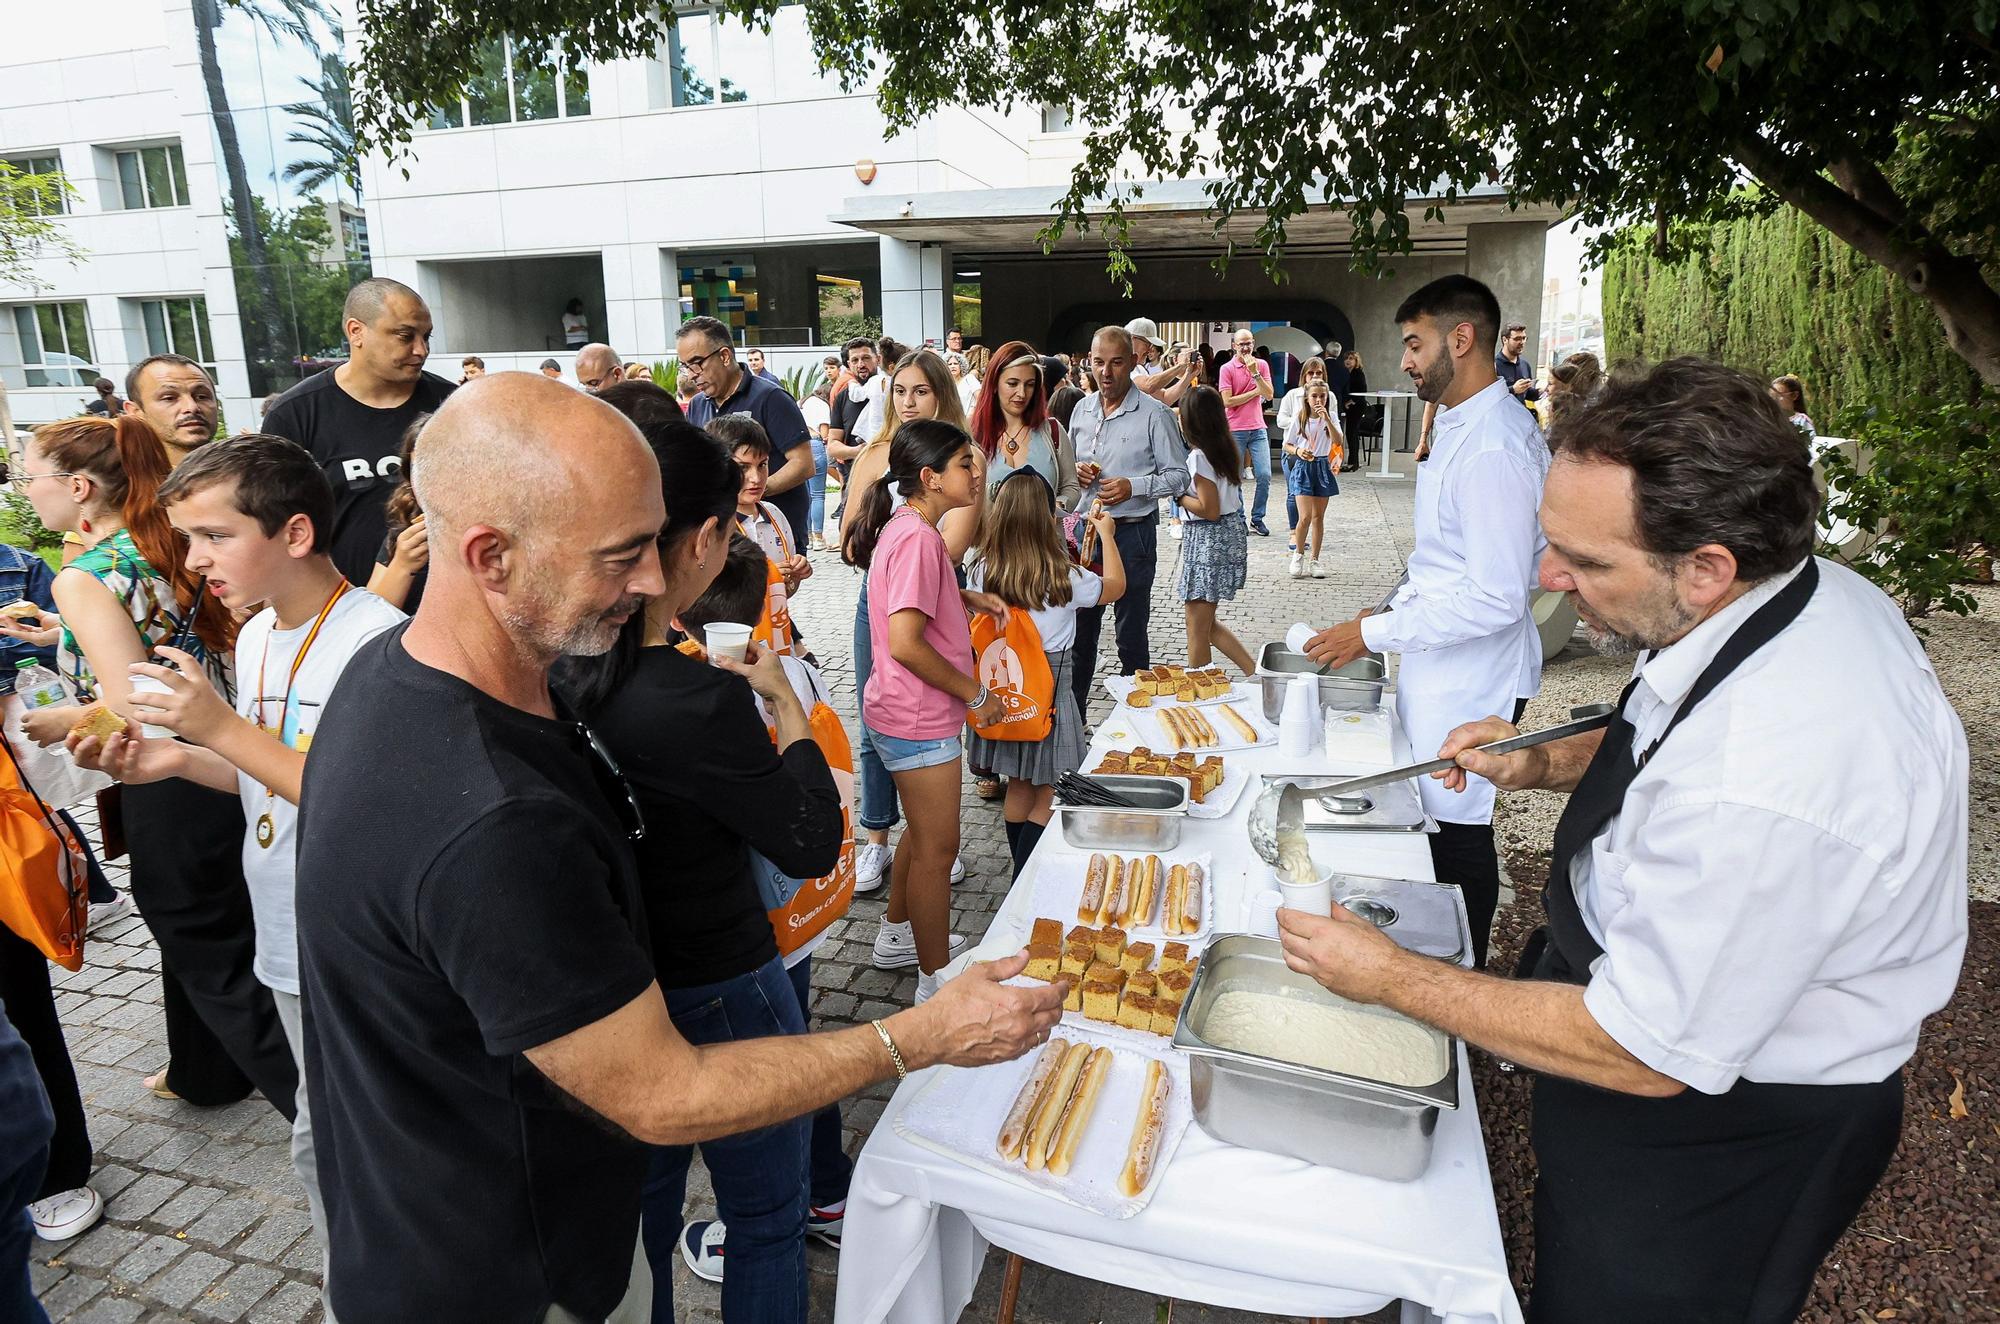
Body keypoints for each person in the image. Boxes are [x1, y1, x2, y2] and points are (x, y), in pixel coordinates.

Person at [291, 374, 1063, 1321]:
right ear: (490, 556)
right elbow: (662, 1092)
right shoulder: (499, 817)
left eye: (656, 544)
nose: (656, 581)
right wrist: (919, 1036)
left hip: (457, 1233)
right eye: (622, 556)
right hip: (508, 1276)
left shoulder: (390, 672)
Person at [1281, 357, 1967, 1324]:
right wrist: (1540, 760)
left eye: (1587, 564)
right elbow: (1663, 730)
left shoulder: (1773, 775)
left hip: (1722, 1130)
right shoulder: (1787, 595)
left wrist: (1393, 977)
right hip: (1663, 1037)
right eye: (1551, 546)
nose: (1549, 581)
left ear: (1708, 565)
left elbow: (1647, 1048)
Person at [73, 434, 407, 1308]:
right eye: (186, 539)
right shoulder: (258, 633)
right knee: (319, 1136)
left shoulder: (378, 642)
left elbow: (359, 804)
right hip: (287, 930)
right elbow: (272, 771)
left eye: (214, 536)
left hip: (354, 943)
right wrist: (182, 763)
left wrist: (215, 728)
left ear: (295, 532)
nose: (194, 561)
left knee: (359, 1142)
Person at [551, 422, 839, 1323]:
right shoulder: (696, 696)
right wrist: (784, 699)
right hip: (724, 981)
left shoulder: (552, 670)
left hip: (618, 987)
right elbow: (808, 839)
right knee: (767, 1213)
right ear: (706, 539)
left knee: (644, 1216)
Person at [15, 416, 299, 1118]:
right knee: (231, 926)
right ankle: (207, 1069)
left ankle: (320, 1102)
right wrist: (60, 634)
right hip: (235, 750)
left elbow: (128, 706)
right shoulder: (165, 541)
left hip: (173, 773)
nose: (28, 493)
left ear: (78, 486)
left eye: (31, 478)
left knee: (204, 942)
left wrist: (66, 719)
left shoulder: (84, 576)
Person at [1305, 274, 1549, 967]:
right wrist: (1383, 609)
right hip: (1444, 661)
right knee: (1433, 830)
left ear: (1462, 339)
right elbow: (1442, 558)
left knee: (1458, 835)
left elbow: (1497, 595)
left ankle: (1459, 977)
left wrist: (1372, 636)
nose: (1406, 360)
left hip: (1477, 675)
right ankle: (1436, 958)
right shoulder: (1462, 423)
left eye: (1414, 344)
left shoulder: (1496, 444)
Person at [665, 537, 858, 1274]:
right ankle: (831, 1194)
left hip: (748, 929)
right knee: (800, 1042)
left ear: (681, 617)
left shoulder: (706, 698)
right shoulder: (794, 675)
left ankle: (775, 1209)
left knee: (760, 1072)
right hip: (796, 924)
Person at [845, 419, 1009, 1002]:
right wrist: (977, 694)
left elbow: (908, 595)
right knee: (939, 853)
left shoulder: (912, 527)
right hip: (918, 719)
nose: (975, 471)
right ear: (929, 478)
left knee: (923, 834)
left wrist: (961, 595)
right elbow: (906, 641)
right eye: (964, 463)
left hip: (902, 714)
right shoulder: (917, 536)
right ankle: (935, 980)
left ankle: (896, 936)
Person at [839, 352, 974, 894]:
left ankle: (915, 873)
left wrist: (952, 589)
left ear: (942, 393)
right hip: (893, 608)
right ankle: (880, 840)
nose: (909, 402)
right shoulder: (880, 462)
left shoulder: (954, 458)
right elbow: (853, 543)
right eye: (900, 392)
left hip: (917, 600)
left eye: (920, 391)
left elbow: (951, 548)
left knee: (896, 731)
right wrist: (979, 695)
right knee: (880, 729)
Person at [966, 473, 1122, 876]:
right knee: (1051, 789)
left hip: (1006, 692)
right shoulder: (1063, 576)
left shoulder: (981, 570)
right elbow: (1117, 587)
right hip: (1050, 693)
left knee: (1018, 783)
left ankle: (1019, 871)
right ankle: (1025, 877)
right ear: (1046, 516)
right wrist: (1106, 534)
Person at [262, 277, 455, 585]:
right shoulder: (295, 414)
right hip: (342, 608)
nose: (421, 350)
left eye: (426, 336)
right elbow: (272, 525)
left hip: (444, 603)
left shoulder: (451, 404)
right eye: (405, 336)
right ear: (356, 332)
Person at [1066, 326, 1188, 715]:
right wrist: (1078, 473)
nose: (1106, 372)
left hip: (1132, 535)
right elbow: (1068, 470)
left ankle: (1137, 723)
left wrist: (1133, 486)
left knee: (1130, 634)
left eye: (1116, 363)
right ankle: (1075, 726)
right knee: (1079, 634)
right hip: (1085, 535)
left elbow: (1180, 476)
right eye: (1098, 362)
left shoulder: (1155, 414)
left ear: (1134, 363)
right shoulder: (1081, 409)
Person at [679, 316, 816, 546]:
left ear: (724, 356)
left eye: (696, 362)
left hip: (775, 533)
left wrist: (753, 490)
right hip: (724, 538)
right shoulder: (697, 405)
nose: (691, 374)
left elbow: (804, 464)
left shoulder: (771, 398)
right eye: (685, 366)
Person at [1174, 387, 1259, 674]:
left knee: (1196, 627)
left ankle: (1200, 690)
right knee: (1206, 624)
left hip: (1207, 540)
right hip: (1226, 534)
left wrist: (1178, 496)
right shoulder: (1225, 447)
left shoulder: (1199, 456)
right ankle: (1256, 673)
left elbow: (1208, 509)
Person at [709, 414, 808, 656]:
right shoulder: (712, 526)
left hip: (776, 641)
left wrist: (793, 577)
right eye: (742, 467)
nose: (756, 478)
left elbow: (783, 593)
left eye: (762, 464)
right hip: (731, 648)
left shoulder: (774, 515)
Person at [970, 340, 1081, 508]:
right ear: (994, 384)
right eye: (1012, 383)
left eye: (1030, 385)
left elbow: (1071, 487)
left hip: (1045, 533)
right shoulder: (971, 432)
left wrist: (1058, 506)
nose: (1021, 393)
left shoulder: (1052, 430)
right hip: (988, 534)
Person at [367, 416, 430, 613]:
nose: (426, 479)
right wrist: (403, 564)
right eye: (417, 468)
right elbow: (372, 615)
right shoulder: (404, 531)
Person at [1216, 328, 1275, 535]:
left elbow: (1268, 394)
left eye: (1248, 343)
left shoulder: (1262, 365)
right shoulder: (1227, 368)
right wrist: (1255, 392)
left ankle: (1257, 518)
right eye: (1241, 344)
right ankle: (1240, 518)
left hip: (1258, 428)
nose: (1245, 347)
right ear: (1234, 346)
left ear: (1253, 343)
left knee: (1265, 475)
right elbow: (1227, 401)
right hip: (1235, 429)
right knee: (1235, 478)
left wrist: (1255, 374)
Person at [1283, 378, 1344, 579]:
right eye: (1315, 396)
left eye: (1322, 396)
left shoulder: (1331, 416)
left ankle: (1315, 559)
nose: (1318, 400)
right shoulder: (1300, 418)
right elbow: (1287, 444)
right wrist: (1298, 451)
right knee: (1305, 517)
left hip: (1321, 466)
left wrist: (1326, 419)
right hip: (1303, 467)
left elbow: (1338, 440)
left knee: (1318, 517)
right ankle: (1298, 554)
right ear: (1307, 398)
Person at [122, 353, 218, 463]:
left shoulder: (240, 469)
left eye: (202, 397)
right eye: (169, 398)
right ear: (135, 412)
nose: (192, 407)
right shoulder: (115, 478)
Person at [1274, 356, 1329, 550]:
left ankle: (1311, 540)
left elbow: (1334, 426)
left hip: (1319, 455)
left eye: (1318, 373)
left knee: (1315, 502)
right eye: (1310, 373)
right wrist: (1301, 424)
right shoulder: (1293, 395)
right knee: (1294, 492)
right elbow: (1281, 420)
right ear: (1304, 375)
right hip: (1294, 451)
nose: (1314, 376)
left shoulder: (1327, 395)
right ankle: (1293, 533)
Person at [1124, 318, 1195, 407]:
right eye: (1147, 344)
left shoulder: (1139, 369)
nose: (1150, 349)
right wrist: (1180, 366)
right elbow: (1148, 386)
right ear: (1132, 339)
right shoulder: (1122, 364)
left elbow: (1165, 398)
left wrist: (1189, 375)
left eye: (1151, 345)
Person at [801, 381, 833, 550]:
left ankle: (807, 536)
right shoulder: (823, 406)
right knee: (818, 495)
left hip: (802, 446)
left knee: (806, 495)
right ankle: (819, 537)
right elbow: (825, 432)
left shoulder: (804, 402)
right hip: (816, 444)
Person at [1496, 321, 1539, 408]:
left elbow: (1527, 394)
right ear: (1505, 340)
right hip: (1501, 418)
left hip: (1520, 417)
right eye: (1517, 339)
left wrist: (1542, 392)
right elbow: (1489, 397)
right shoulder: (1493, 365)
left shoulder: (1525, 365)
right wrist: (1513, 390)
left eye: (1524, 338)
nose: (1522, 342)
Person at [1341, 349, 1370, 471]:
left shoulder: (1358, 373)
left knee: (1352, 433)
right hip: (1351, 407)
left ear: (1356, 361)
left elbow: (1362, 390)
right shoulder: (1347, 373)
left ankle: (1354, 463)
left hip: (1357, 406)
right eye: (1346, 358)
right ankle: (1352, 461)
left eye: (1351, 359)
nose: (1348, 361)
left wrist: (1350, 401)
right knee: (1350, 433)